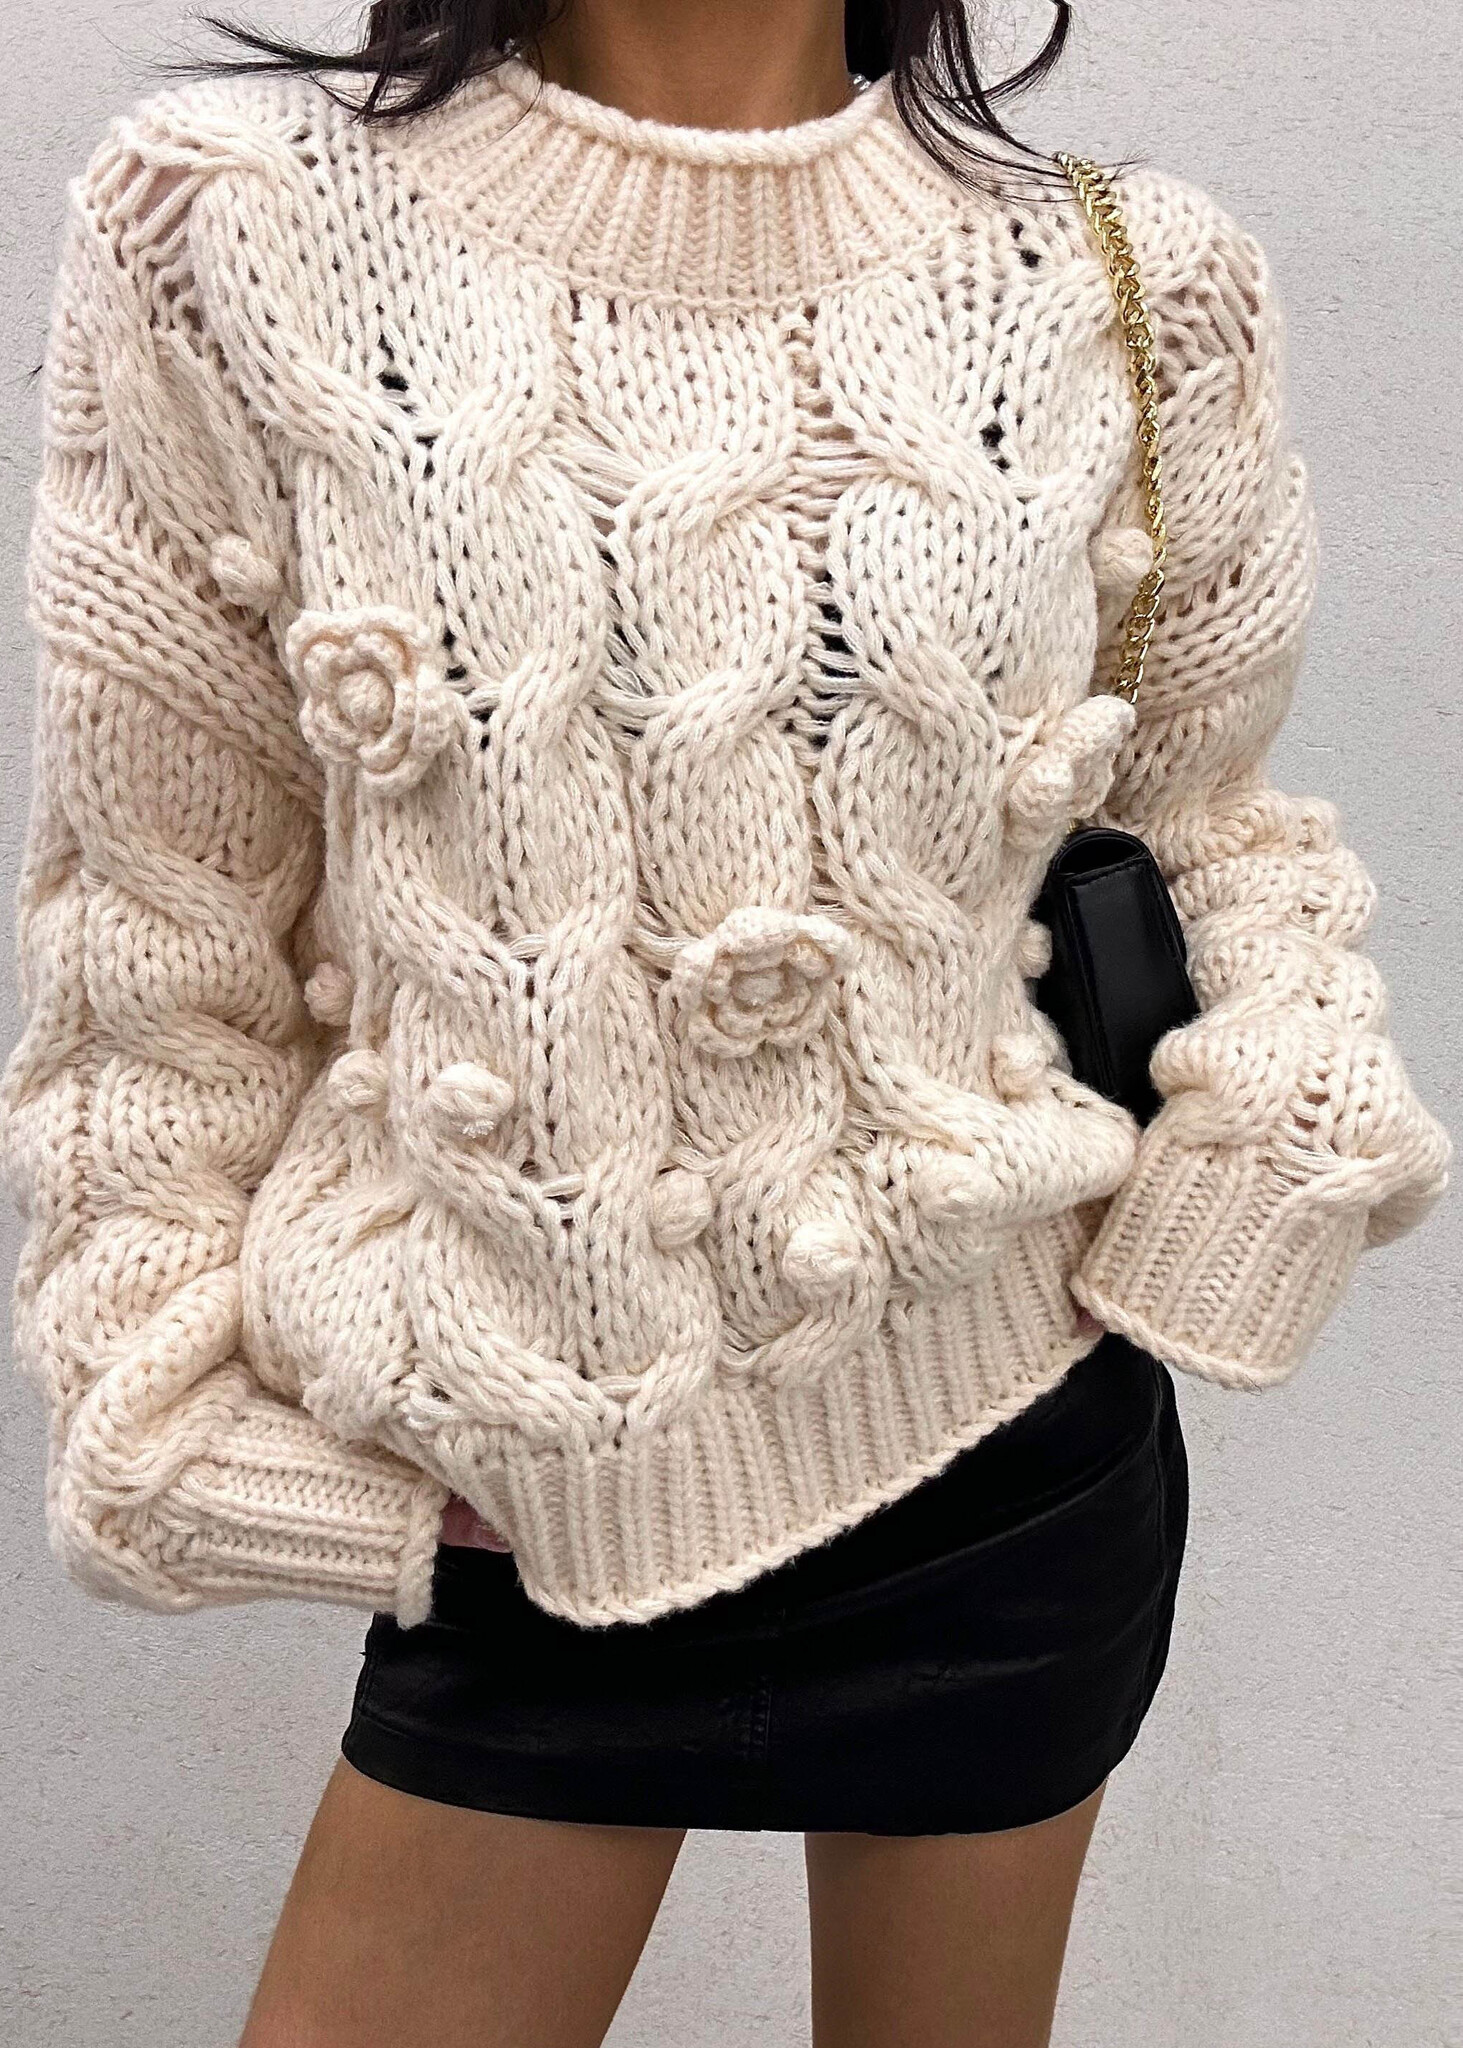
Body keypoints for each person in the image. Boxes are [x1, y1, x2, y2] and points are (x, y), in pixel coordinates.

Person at [3, 2, 1450, 2043]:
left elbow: (1209, 829)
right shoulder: (228, 230)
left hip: (1007, 1460)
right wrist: (183, 1434)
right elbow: (155, 942)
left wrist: (1259, 1181)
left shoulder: (1132, 279)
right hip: (533, 1508)